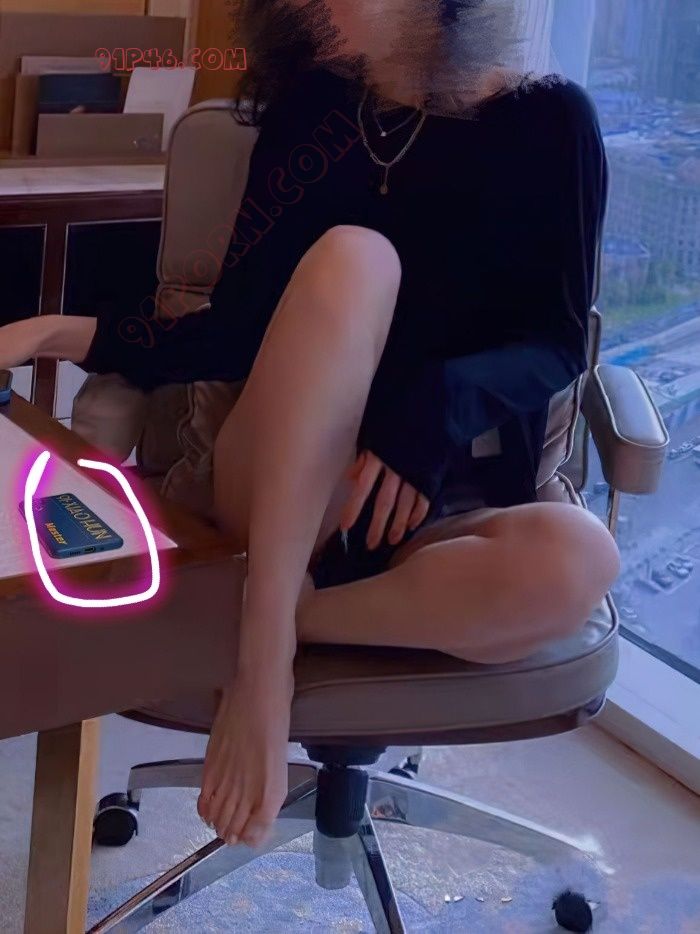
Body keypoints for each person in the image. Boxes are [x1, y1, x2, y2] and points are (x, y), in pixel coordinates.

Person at [0, 0, 620, 850]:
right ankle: (264, 666)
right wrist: (51, 332)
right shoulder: (314, 109)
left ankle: (283, 617)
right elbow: (233, 328)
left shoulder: (551, 121)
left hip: (427, 508)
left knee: (581, 559)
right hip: (273, 484)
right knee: (357, 257)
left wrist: (432, 412)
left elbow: (556, 342)